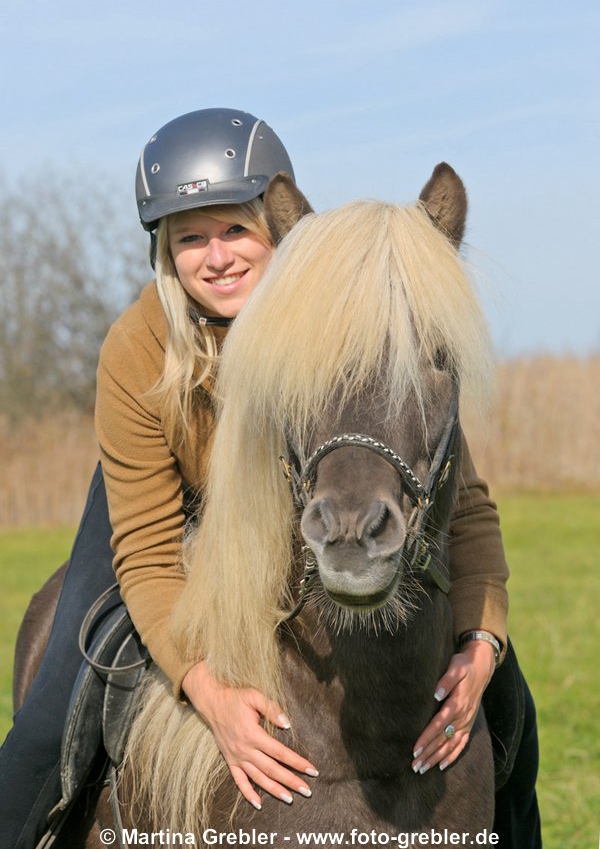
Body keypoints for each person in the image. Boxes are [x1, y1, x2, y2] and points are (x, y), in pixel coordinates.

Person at [0, 108, 540, 847]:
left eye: (235, 231)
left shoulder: (345, 315)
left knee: (512, 704)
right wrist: (205, 690)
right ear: (164, 251)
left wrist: (483, 638)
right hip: (170, 505)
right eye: (190, 238)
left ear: (276, 231)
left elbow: (462, 501)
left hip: (305, 506)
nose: (216, 257)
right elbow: (151, 553)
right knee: (57, 699)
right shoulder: (137, 346)